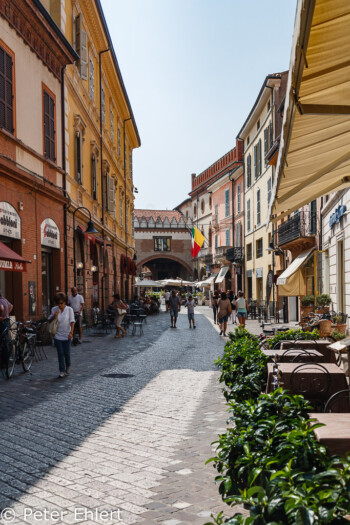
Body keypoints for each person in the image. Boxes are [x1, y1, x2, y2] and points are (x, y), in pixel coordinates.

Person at [49, 292, 75, 378]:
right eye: (58, 303)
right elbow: (49, 320)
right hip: (58, 335)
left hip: (67, 335)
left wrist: (71, 332)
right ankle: (62, 370)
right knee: (60, 353)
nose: (60, 305)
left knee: (67, 353)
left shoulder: (69, 309)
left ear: (65, 302)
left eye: (61, 303)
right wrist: (54, 316)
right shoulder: (54, 309)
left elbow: (72, 321)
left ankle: (68, 365)